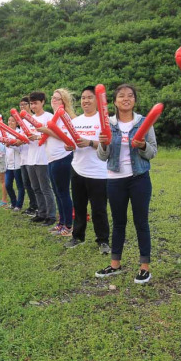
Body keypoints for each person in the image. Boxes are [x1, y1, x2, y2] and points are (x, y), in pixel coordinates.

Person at [96, 84, 157, 284]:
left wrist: (143, 146)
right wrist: (103, 143)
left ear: (134, 100)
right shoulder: (107, 124)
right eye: (121, 96)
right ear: (114, 101)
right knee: (118, 221)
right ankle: (115, 264)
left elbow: (153, 152)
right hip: (115, 179)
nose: (126, 99)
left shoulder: (144, 122)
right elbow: (102, 156)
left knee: (141, 221)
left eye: (130, 96)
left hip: (139, 177)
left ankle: (144, 267)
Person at [64, 86, 110, 252]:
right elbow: (69, 143)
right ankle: (77, 236)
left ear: (97, 101)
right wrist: (68, 146)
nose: (86, 101)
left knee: (99, 209)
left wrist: (90, 143)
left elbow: (108, 144)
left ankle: (103, 241)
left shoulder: (104, 121)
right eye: (83, 98)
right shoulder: (75, 122)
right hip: (77, 168)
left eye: (90, 97)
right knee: (79, 206)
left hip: (98, 171)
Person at [42, 89, 75, 234]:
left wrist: (46, 131)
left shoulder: (64, 116)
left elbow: (66, 137)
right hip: (51, 158)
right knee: (57, 192)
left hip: (62, 157)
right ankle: (61, 222)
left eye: (57, 98)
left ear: (63, 102)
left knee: (63, 192)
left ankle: (68, 225)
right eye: (52, 98)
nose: (53, 100)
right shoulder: (55, 117)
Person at [26, 92, 56, 225]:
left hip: (43, 158)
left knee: (45, 188)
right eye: (31, 104)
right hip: (30, 157)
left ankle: (51, 215)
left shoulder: (49, 117)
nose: (33, 106)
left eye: (35, 103)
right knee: (35, 188)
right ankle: (41, 212)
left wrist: (37, 137)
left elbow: (53, 134)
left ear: (43, 102)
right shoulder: (29, 118)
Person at [17, 97, 37, 216]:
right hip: (23, 158)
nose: (22, 106)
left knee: (36, 185)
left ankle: (39, 206)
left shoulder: (33, 120)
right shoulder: (21, 122)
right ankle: (32, 205)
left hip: (34, 157)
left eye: (25, 104)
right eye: (20, 105)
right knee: (27, 184)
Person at [4, 115, 25, 210]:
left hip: (18, 164)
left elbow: (21, 148)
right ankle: (13, 202)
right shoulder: (6, 134)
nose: (10, 122)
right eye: (9, 120)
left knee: (20, 185)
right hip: (9, 164)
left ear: (17, 123)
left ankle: (19, 205)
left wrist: (11, 145)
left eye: (13, 121)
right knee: (7, 184)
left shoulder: (20, 133)